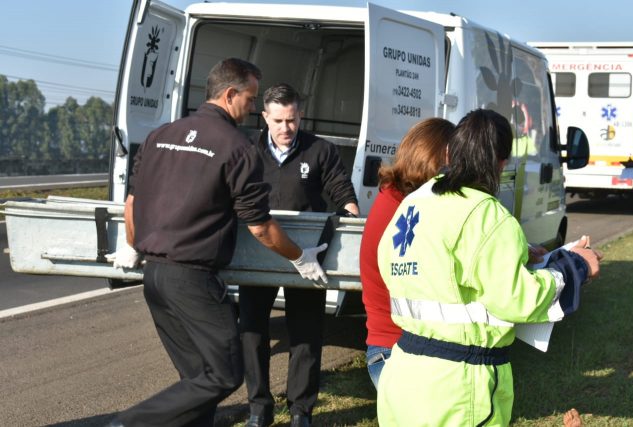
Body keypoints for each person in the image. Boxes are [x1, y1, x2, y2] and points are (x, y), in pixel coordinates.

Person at [106, 59, 329, 427]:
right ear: (229, 95)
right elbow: (260, 227)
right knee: (223, 374)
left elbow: (132, 204)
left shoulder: (160, 136)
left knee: (197, 380)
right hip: (193, 280)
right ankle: (128, 424)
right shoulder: (237, 148)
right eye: (250, 98)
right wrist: (299, 257)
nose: (253, 108)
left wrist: (132, 244)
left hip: (155, 279)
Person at [376, 109, 602, 426]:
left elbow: (432, 261)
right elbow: (518, 299)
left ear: (450, 152)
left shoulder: (414, 203)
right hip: (458, 387)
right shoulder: (487, 214)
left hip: (402, 378)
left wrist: (515, 252)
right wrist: (576, 266)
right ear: (501, 162)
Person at [239, 83, 359, 427]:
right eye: (278, 121)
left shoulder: (320, 150)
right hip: (258, 254)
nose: (285, 128)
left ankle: (300, 411)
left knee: (306, 333)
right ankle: (258, 408)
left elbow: (343, 193)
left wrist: (350, 218)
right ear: (264, 116)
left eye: (291, 120)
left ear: (300, 115)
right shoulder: (246, 149)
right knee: (252, 331)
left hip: (306, 256)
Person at [359, 117, 454, 389]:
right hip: (400, 348)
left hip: (391, 347)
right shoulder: (409, 208)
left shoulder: (396, 198)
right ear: (440, 158)